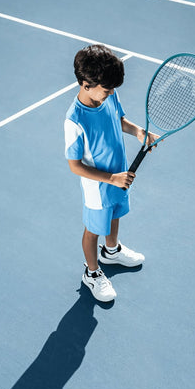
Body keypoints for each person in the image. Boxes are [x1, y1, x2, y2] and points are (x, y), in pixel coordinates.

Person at [64, 44, 159, 302]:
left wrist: (139, 131)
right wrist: (111, 179)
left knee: (115, 213)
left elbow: (120, 120)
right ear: (86, 83)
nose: (111, 93)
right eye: (106, 90)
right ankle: (92, 272)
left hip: (119, 174)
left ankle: (112, 251)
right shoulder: (74, 120)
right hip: (99, 186)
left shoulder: (108, 95)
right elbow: (75, 166)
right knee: (93, 229)